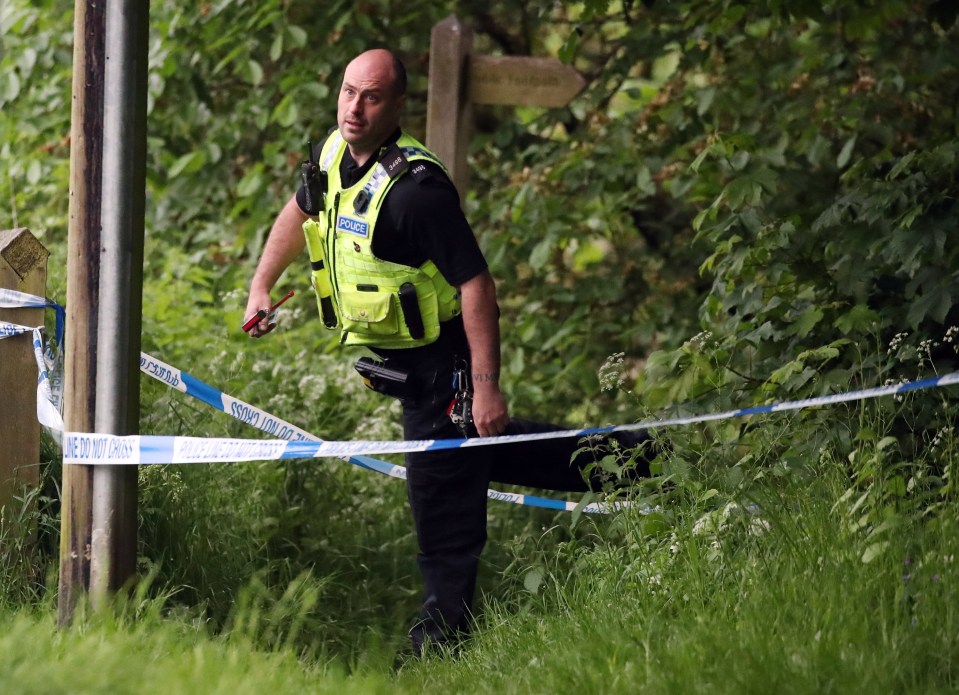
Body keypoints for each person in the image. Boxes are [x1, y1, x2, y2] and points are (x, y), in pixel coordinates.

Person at [244, 48, 652, 655]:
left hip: (446, 368)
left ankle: (439, 644)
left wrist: (485, 384)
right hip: (404, 370)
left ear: (398, 104)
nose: (355, 107)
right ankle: (646, 463)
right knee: (491, 455)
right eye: (349, 91)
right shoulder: (334, 153)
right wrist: (261, 283)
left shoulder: (418, 192)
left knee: (441, 510)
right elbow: (301, 208)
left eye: (372, 96)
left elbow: (477, 284)